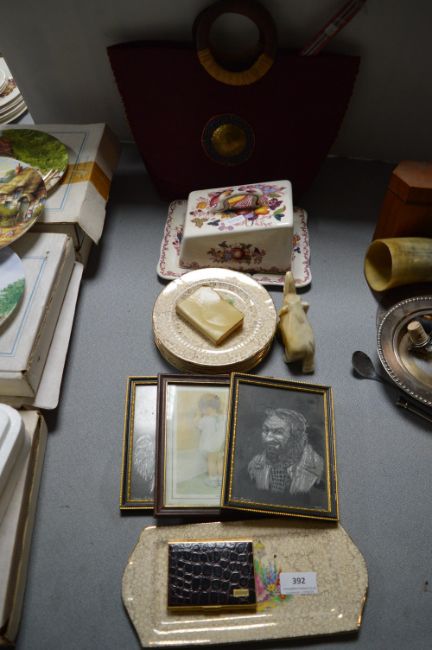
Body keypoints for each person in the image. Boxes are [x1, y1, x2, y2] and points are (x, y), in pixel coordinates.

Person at [248, 408, 323, 495]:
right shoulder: (254, 465)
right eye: (266, 430)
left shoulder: (318, 467)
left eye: (278, 432)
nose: (268, 439)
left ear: (296, 437)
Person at [196, 393, 226, 486]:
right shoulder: (223, 417)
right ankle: (221, 480)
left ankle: (213, 480)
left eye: (202, 408)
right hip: (220, 444)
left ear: (208, 408)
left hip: (210, 445)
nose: (201, 410)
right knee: (220, 461)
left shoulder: (205, 419)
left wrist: (197, 417)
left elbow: (198, 426)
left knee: (211, 462)